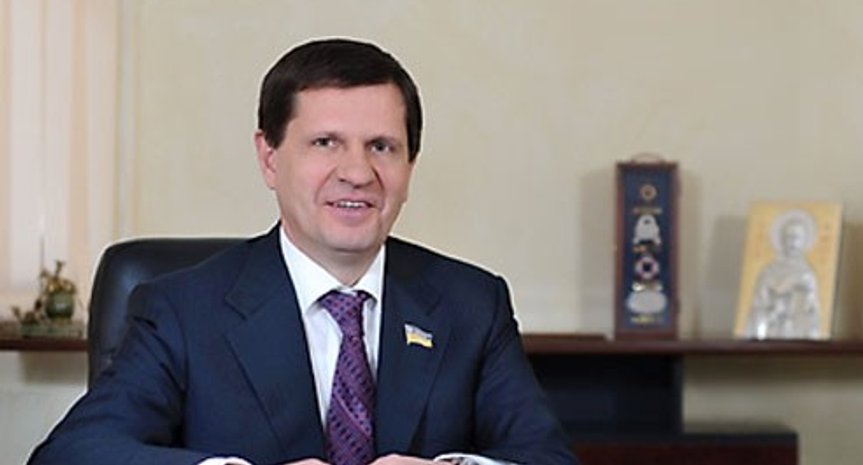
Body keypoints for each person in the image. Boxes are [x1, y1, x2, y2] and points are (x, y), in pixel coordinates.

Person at [28, 39, 577, 465]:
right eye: (325, 143)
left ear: (409, 165)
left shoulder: (472, 304)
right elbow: (72, 455)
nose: (358, 172)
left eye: (382, 146)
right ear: (269, 158)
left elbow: (548, 458)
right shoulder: (181, 309)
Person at [744, 209, 822, 339]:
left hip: (797, 335)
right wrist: (773, 313)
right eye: (789, 237)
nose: (792, 242)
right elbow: (757, 308)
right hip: (771, 333)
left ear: (804, 241)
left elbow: (813, 315)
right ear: (781, 239)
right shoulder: (768, 272)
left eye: (797, 237)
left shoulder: (808, 275)